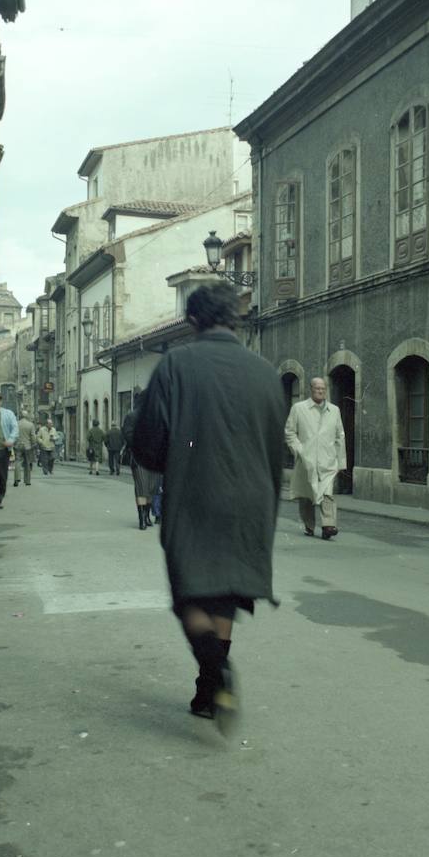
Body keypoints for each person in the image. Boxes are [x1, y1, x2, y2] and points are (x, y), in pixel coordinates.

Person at [129, 282, 286, 730]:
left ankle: (217, 672)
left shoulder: (177, 363)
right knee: (223, 599)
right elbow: (276, 448)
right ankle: (207, 690)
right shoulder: (264, 371)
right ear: (234, 318)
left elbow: (147, 441)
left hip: (196, 494)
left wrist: (170, 464)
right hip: (253, 499)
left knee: (190, 595)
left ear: (193, 320)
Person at [285, 376, 346, 540]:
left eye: (323, 389)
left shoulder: (334, 410)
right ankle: (309, 525)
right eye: (318, 388)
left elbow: (340, 436)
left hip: (327, 460)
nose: (321, 391)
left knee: (327, 493)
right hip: (307, 460)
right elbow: (289, 432)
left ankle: (328, 526)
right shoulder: (298, 408)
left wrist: (340, 462)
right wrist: (298, 450)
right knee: (306, 495)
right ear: (311, 390)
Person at [121, 408, 159, 531]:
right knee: (142, 487)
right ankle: (141, 518)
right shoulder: (132, 416)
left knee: (152, 488)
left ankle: (147, 515)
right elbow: (128, 435)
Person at [13, 411, 36, 487]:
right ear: (27, 416)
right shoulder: (30, 425)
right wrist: (33, 444)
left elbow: (13, 435)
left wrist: (14, 444)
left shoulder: (16, 424)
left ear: (20, 416)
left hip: (18, 446)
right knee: (27, 463)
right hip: (27, 446)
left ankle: (17, 479)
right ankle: (27, 481)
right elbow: (33, 436)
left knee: (17, 462)